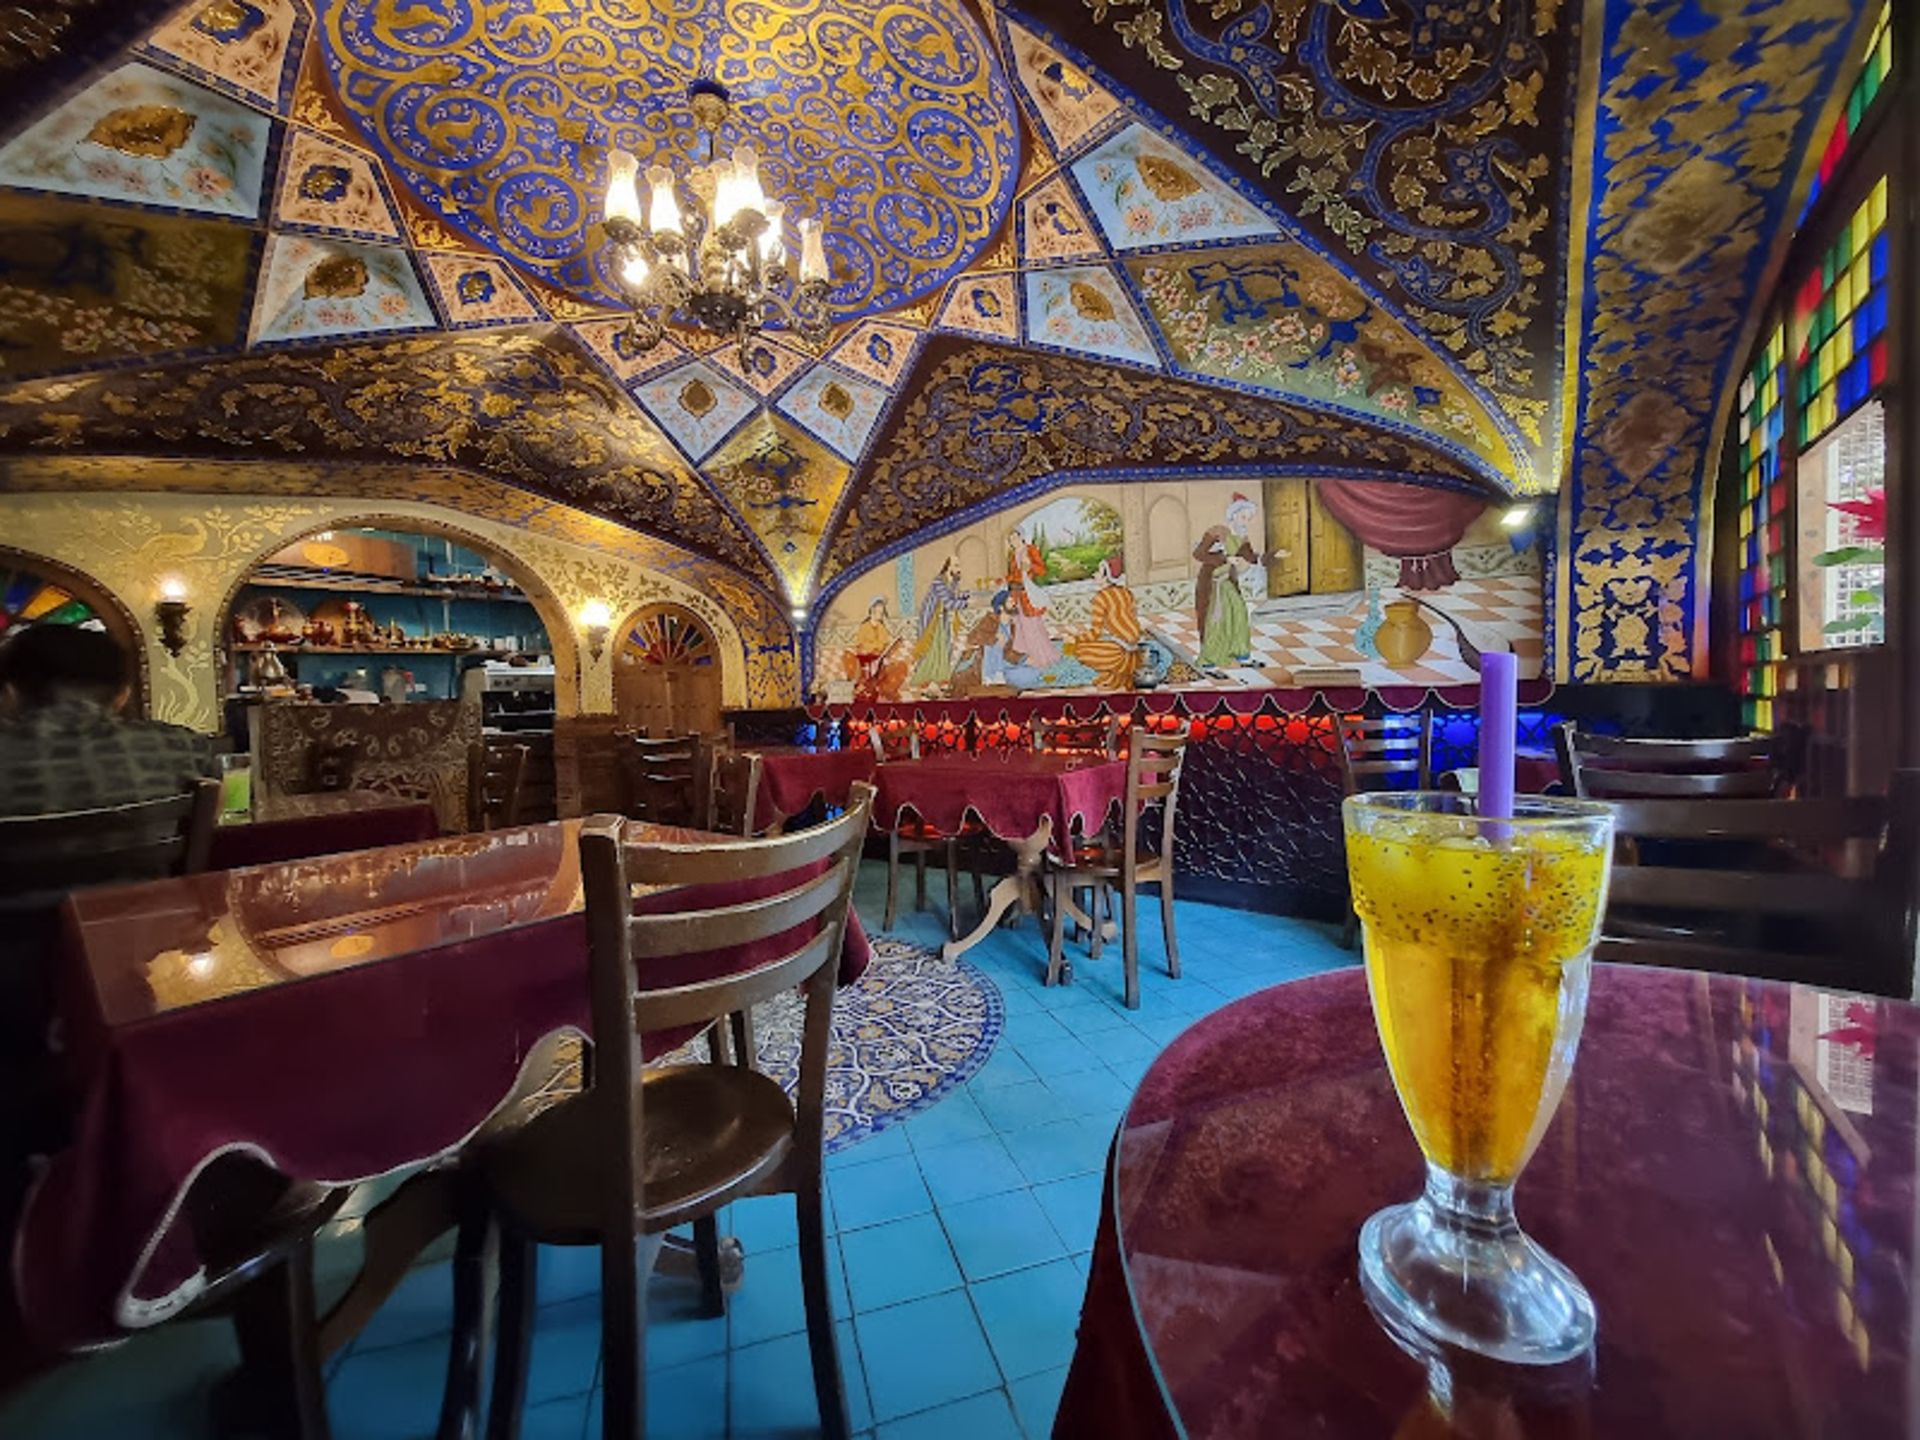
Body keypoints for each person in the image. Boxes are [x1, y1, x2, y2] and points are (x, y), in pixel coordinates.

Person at [0, 624, 215, 815]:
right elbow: (213, 817)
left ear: (10, 694)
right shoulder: (185, 746)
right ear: (123, 695)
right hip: (149, 862)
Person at [1194, 493, 1264, 667]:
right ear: (1233, 515)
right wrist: (1225, 559)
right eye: (1243, 517)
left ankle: (1242, 655)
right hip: (1212, 585)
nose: (1245, 522)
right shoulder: (1217, 532)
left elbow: (1251, 557)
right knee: (1216, 621)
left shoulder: (1242, 537)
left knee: (1239, 614)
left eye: (1248, 518)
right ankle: (1209, 661)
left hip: (1229, 583)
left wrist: (1272, 556)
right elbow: (1199, 554)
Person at [1072, 555, 1143, 690]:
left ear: (1107, 577)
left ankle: (1113, 671)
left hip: (1119, 654)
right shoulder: (1127, 592)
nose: (1094, 575)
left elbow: (1094, 633)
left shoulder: (1100, 598)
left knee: (1080, 650)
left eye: (1098, 572)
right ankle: (1116, 671)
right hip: (1135, 653)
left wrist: (1075, 638)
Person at [906, 557, 969, 692]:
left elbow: (955, 595)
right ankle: (924, 680)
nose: (959, 569)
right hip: (931, 620)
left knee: (943, 648)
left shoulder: (951, 582)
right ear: (948, 567)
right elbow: (949, 603)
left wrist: (969, 594)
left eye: (959, 565)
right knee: (930, 650)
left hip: (942, 619)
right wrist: (966, 603)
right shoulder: (939, 581)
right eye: (956, 565)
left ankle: (941, 679)